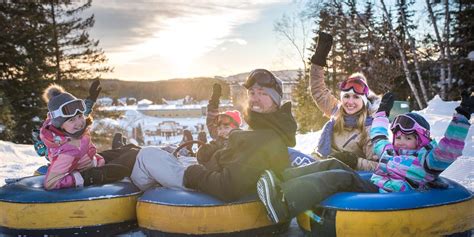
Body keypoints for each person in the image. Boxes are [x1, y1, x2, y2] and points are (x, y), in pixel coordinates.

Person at [256, 91, 473, 223]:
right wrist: (382, 112)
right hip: (377, 184)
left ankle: (284, 204)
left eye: (408, 138)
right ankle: (281, 179)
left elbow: (449, 149)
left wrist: (462, 117)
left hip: (389, 194)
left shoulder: (427, 161)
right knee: (333, 162)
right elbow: (378, 135)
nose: (400, 142)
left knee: (339, 177)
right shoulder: (390, 152)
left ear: (421, 140)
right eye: (397, 137)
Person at [131, 69, 297, 202]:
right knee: (168, 152)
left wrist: (195, 174)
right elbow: (239, 163)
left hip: (207, 184)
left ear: (276, 100)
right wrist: (216, 151)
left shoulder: (264, 137)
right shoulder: (264, 129)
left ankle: (138, 202)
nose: (255, 98)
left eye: (262, 93)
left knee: (147, 155)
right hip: (211, 172)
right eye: (252, 93)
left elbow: (229, 187)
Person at [130, 83, 245, 192]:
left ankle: (136, 190)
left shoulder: (237, 142)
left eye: (226, 127)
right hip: (199, 172)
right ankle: (183, 151)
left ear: (236, 127)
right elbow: (211, 120)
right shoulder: (221, 138)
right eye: (219, 128)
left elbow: (224, 169)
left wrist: (207, 151)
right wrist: (214, 100)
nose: (221, 131)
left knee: (146, 154)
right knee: (169, 151)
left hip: (201, 180)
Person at [40, 82, 137, 190]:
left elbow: (81, 114)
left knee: (131, 148)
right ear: (60, 124)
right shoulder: (67, 151)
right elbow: (50, 183)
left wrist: (91, 99)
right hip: (91, 170)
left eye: (79, 116)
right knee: (133, 155)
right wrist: (89, 177)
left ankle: (120, 149)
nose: (79, 123)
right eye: (72, 120)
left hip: (93, 160)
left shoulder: (64, 126)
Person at [310, 32, 381, 171]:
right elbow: (318, 90)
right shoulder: (337, 111)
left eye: (356, 97)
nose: (350, 102)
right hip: (324, 165)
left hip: (345, 176)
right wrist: (318, 61)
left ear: (365, 101)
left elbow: (379, 166)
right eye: (347, 96)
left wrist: (354, 162)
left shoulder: (370, 127)